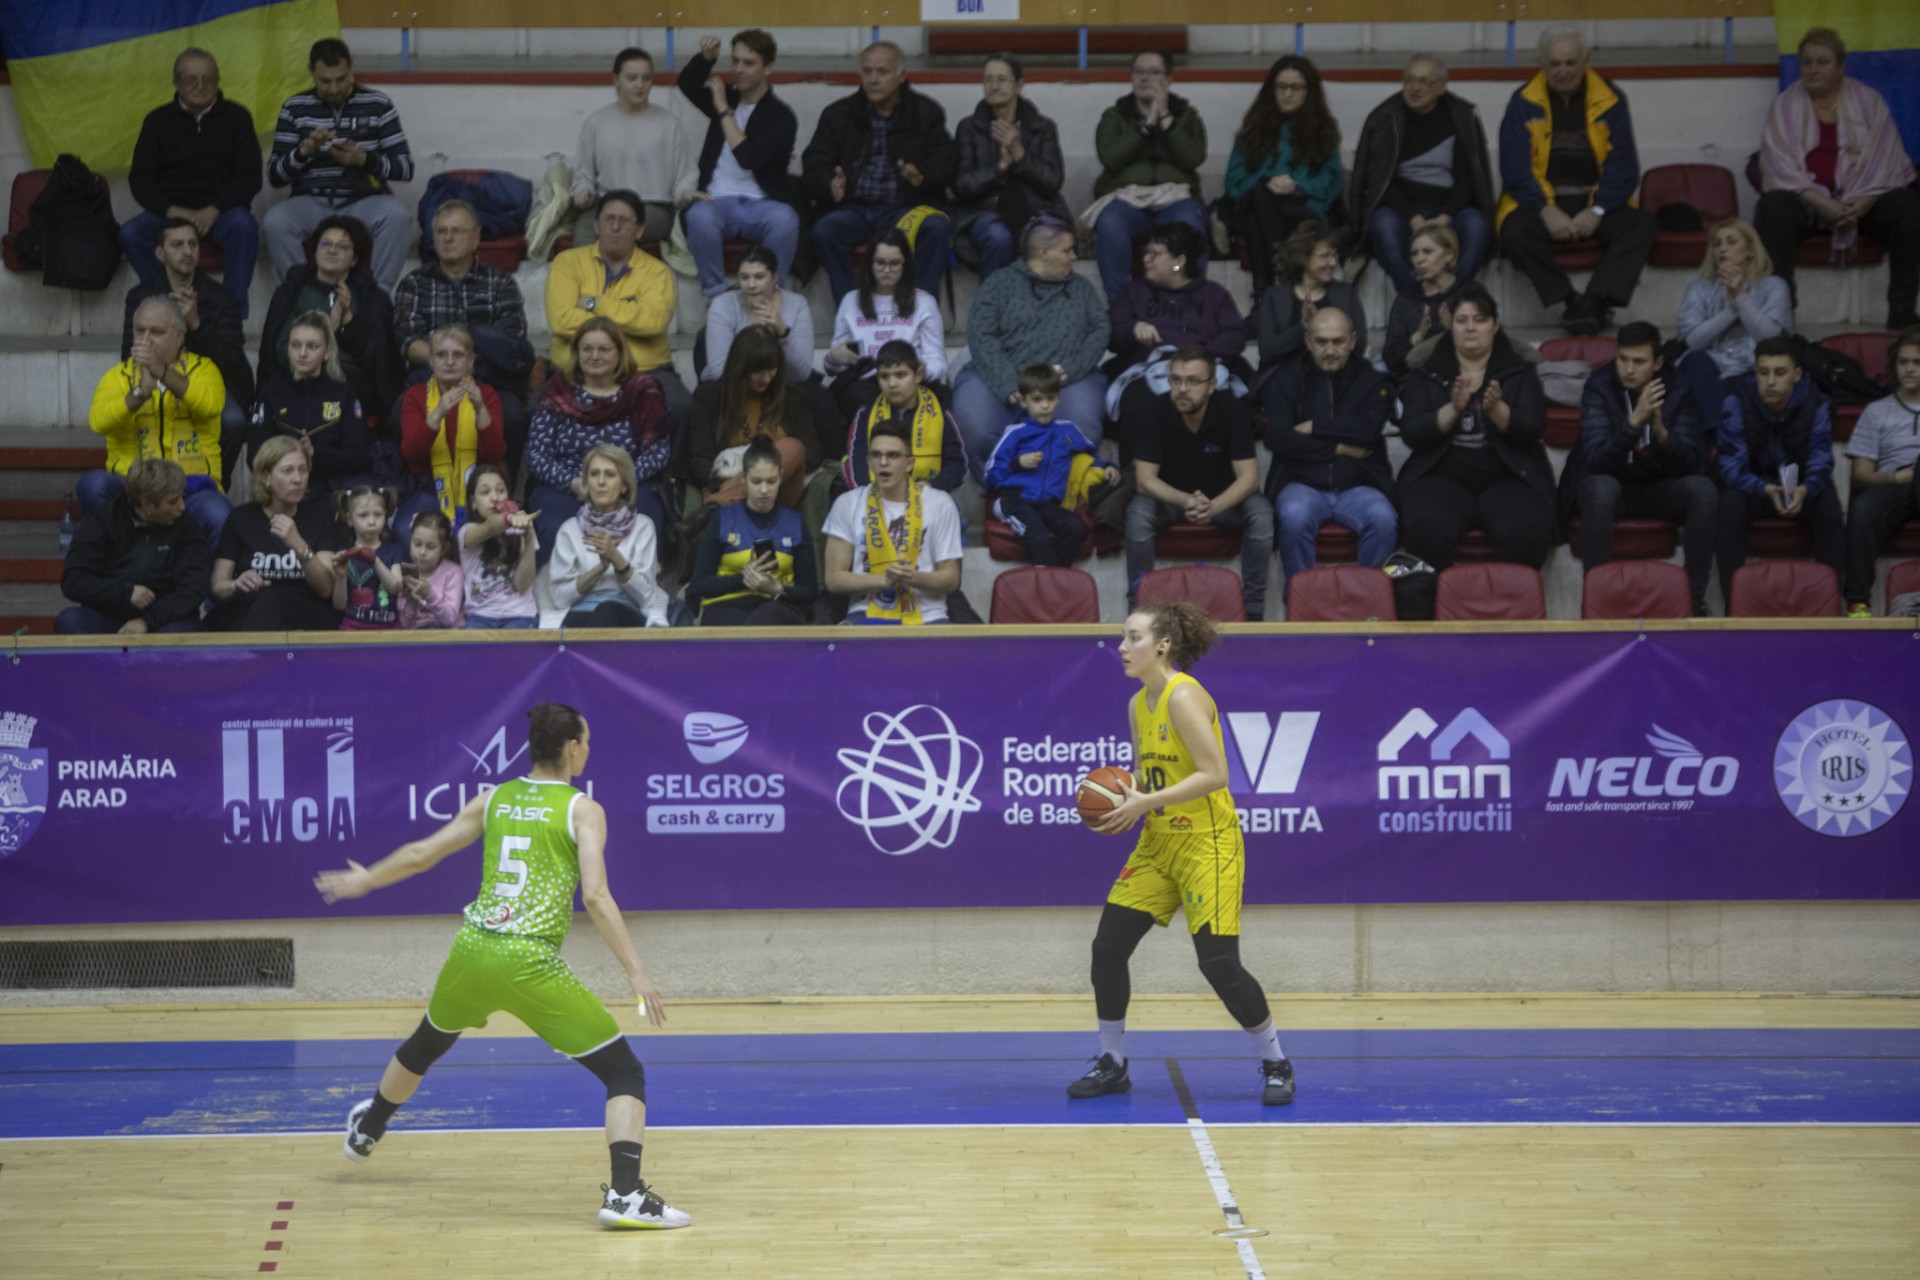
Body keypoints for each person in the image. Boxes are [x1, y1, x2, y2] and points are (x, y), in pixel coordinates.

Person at [314, 702, 691, 1231]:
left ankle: (368, 1127)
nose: (588, 748)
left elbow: (422, 853)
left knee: (427, 1043)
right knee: (624, 1071)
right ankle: (625, 1195)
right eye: (586, 740)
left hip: (472, 950)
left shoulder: (493, 798)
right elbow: (596, 896)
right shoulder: (582, 809)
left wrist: (366, 880)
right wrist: (636, 971)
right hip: (529, 960)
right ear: (572, 748)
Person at [1067, 601, 1294, 1108]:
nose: (1122, 647)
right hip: (1158, 842)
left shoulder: (1184, 695)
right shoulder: (1137, 704)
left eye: (1133, 638)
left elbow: (1215, 775)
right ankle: (1112, 1062)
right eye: (1123, 638)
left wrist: (1144, 801)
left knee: (1218, 963)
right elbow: (1151, 775)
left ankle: (1276, 1063)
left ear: (1163, 645)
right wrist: (1122, 797)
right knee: (1108, 949)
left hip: (1207, 843)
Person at [1756, 27, 1920, 330]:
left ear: (1840, 66)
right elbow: (1776, 165)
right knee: (1772, 207)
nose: (1813, 69)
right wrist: (1820, 202)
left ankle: (1902, 315)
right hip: (1808, 203)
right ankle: (1781, 317)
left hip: (1862, 201)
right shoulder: (1784, 105)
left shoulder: (1869, 101)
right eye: (1807, 62)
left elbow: (1887, 159)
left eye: (1823, 62)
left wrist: (1866, 199)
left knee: (1908, 207)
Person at [1495, 27, 1656, 335]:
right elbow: (1514, 169)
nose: (1563, 71)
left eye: (1570, 63)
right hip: (1541, 203)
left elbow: (1624, 167)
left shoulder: (1610, 99)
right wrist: (1545, 209)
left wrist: (1597, 210)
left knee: (1642, 226)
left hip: (1594, 202)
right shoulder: (1523, 101)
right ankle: (1570, 300)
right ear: (1542, 64)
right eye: (1554, 63)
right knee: (1513, 232)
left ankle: (1594, 299)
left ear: (1585, 62)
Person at [1396, 283, 1553, 570]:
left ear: (1495, 325)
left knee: (1527, 527)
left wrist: (1500, 413)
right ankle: (1433, 598)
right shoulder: (1426, 371)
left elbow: (1534, 428)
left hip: (1509, 478)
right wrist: (1453, 410)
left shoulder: (1521, 370)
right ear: (1450, 326)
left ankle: (1509, 599)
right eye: (1462, 320)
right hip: (1441, 478)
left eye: (1480, 320)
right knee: (1425, 523)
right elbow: (1412, 432)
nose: (1470, 328)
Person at [1570, 321, 1718, 616]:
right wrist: (1633, 424)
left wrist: (1661, 433)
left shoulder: (1678, 388)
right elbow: (1597, 461)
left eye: (1639, 362)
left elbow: (1691, 462)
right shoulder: (1600, 386)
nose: (1628, 369)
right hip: (1613, 486)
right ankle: (1595, 603)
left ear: (1658, 363)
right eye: (1623, 359)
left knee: (1703, 491)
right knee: (1600, 487)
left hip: (1658, 487)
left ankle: (1692, 603)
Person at [954, 218, 1110, 483]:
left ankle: (1058, 490)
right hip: (1000, 375)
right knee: (978, 428)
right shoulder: (999, 283)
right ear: (1044, 252)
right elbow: (981, 335)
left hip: (1066, 380)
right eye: (1067, 250)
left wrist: (1071, 369)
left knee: (1079, 426)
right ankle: (1001, 487)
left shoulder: (1081, 288)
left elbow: (1100, 330)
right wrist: (1005, 380)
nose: (1074, 257)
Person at [1124, 346, 1274, 619]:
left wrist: (1213, 507)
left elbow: (1249, 479)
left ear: (1211, 385)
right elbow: (1145, 481)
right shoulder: (1153, 409)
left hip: (1223, 501)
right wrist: (1185, 500)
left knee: (1261, 512)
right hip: (1171, 501)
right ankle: (1139, 608)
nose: (1183, 389)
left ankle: (1253, 611)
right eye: (1176, 380)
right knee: (1137, 512)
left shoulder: (1233, 409)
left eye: (1193, 381)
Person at [802, 42, 956, 304]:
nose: (873, 79)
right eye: (867, 71)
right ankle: (852, 309)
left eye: (882, 72)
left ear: (901, 75)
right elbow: (815, 161)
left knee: (936, 227)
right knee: (824, 231)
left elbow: (946, 162)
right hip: (854, 208)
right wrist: (830, 184)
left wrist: (922, 177)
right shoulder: (839, 114)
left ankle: (921, 309)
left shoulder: (925, 112)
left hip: (905, 208)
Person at [393, 200, 533, 474]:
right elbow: (407, 340)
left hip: (490, 376)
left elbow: (513, 338)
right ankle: (413, 486)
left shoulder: (500, 282)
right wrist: (449, 360)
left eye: (456, 231)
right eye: (441, 231)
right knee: (400, 412)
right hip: (432, 376)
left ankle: (499, 490)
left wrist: (464, 360)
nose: (447, 238)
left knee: (512, 416)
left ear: (476, 238)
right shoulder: (415, 283)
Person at [264, 38, 415, 290]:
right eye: (325, 81)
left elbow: (405, 168)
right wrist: (303, 152)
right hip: (312, 202)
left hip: (363, 201)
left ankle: (377, 297)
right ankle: (303, 297)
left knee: (397, 215)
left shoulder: (378, 104)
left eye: (342, 79)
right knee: (275, 221)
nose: (334, 89)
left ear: (351, 69)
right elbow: (275, 176)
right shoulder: (294, 108)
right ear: (311, 72)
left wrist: (364, 160)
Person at [122, 49, 263, 314]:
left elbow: (250, 177)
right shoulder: (157, 121)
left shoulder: (237, 117)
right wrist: (172, 211)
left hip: (221, 213)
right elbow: (140, 179)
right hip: (170, 213)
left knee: (244, 226)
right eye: (191, 80)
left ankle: (230, 316)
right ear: (176, 82)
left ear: (218, 80)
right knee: (131, 233)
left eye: (207, 79)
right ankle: (168, 306)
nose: (200, 86)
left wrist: (215, 209)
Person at [1263, 309, 1398, 584]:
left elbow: (1367, 430)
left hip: (1360, 484)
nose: (1330, 350)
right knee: (1293, 516)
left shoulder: (1372, 381)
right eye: (1321, 341)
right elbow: (1278, 438)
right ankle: (1300, 604)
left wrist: (1314, 426)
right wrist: (1340, 449)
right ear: (1308, 341)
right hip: (1302, 485)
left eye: (1338, 341)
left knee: (1383, 518)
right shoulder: (1286, 378)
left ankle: (1370, 603)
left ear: (1352, 340)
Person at [85, 296, 230, 549]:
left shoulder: (204, 369)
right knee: (93, 484)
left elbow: (211, 405)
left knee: (219, 513)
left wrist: (162, 372)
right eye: (140, 331)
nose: (146, 339)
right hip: (132, 486)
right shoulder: (117, 376)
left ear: (180, 336)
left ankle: (206, 576)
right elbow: (98, 422)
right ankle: (115, 563)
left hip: (190, 487)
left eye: (156, 332)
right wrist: (140, 393)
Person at [1347, 55, 1496, 299]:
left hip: (1450, 210)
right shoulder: (1385, 118)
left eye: (1424, 81)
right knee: (1382, 225)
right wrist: (1413, 217)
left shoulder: (1462, 116)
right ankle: (1415, 299)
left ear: (1441, 86)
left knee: (1476, 226)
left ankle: (1451, 298)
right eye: (1409, 80)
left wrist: (1446, 216)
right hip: (1401, 210)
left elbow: (1468, 179)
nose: (1415, 88)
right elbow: (1379, 182)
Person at [1714, 335, 1844, 606]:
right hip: (1755, 488)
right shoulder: (1737, 401)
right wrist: (1763, 488)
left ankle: (1831, 603)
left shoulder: (1816, 403)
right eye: (1763, 372)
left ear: (1797, 374)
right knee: (1729, 503)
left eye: (1780, 373)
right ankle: (1732, 604)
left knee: (1829, 503)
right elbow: (1730, 465)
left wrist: (1806, 488)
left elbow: (1821, 458)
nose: (1770, 381)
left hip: (1800, 489)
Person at [121, 216, 253, 483]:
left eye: (193, 244)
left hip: (209, 385)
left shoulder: (224, 298)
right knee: (122, 411)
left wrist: (195, 324)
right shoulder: (141, 297)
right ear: (160, 253)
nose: (187, 251)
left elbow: (232, 362)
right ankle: (143, 487)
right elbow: (129, 354)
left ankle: (214, 485)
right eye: (177, 244)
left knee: (233, 420)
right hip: (156, 382)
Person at [527, 317, 669, 560]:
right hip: (569, 484)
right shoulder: (558, 392)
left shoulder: (642, 392)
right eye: (587, 349)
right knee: (554, 528)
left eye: (604, 349)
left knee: (645, 524)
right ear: (577, 353)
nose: (595, 356)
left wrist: (621, 482)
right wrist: (573, 482)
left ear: (619, 353)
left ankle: (631, 582)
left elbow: (659, 451)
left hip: (628, 484)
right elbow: (536, 455)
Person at [545, 190, 688, 426]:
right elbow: (562, 321)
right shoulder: (567, 262)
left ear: (639, 230)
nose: (615, 227)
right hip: (575, 370)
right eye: (609, 219)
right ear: (596, 226)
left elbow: (652, 322)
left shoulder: (657, 272)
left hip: (645, 370)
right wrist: (629, 321)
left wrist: (594, 304)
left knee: (681, 407)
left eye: (624, 221)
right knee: (536, 409)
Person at [677, 31, 803, 298]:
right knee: (698, 216)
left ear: (767, 68)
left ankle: (771, 296)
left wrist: (723, 109)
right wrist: (706, 59)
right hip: (717, 199)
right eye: (735, 61)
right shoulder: (728, 97)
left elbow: (748, 157)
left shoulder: (780, 116)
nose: (738, 69)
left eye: (748, 63)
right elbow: (687, 83)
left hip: (762, 204)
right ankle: (715, 296)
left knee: (786, 219)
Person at [1106, 221, 1246, 451]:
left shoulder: (1213, 294)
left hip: (1202, 369)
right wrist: (1132, 328)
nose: (1146, 259)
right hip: (1148, 372)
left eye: (1155, 254)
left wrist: (1199, 356)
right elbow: (1112, 336)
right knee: (1138, 403)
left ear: (1179, 261)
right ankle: (1136, 470)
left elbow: (1236, 335)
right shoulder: (1132, 291)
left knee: (1226, 402)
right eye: (1146, 252)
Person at [1090, 50, 1210, 300]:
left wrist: (1165, 119)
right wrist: (1145, 127)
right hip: (1127, 201)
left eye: (1154, 72)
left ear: (1169, 78)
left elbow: (1192, 158)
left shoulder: (1187, 115)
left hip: (1176, 201)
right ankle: (1121, 305)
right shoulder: (1114, 116)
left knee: (1190, 222)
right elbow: (1110, 158)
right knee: (1110, 222)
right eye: (1139, 71)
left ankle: (1188, 302)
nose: (1145, 78)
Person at [258, 215, 398, 426]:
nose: (332, 250)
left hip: (351, 381)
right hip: (299, 375)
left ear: (354, 259)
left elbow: (376, 361)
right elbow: (279, 350)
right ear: (315, 251)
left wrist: (348, 323)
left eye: (342, 246)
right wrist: (327, 331)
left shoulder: (371, 298)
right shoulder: (292, 292)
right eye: (325, 244)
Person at [1222, 56, 1344, 294]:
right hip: (1256, 204)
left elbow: (1330, 184)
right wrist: (1268, 183)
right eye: (1281, 87)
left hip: (1305, 210)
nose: (1288, 94)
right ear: (1272, 90)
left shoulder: (1324, 133)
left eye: (1295, 87)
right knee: (1260, 194)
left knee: (1256, 217)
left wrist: (1296, 185)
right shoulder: (1252, 132)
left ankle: (1263, 295)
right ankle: (1280, 269)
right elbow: (1233, 183)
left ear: (1309, 91)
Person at [823, 420, 964, 625]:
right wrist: (883, 580)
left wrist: (912, 577)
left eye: (893, 455)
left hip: (928, 617)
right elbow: (834, 579)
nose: (883, 462)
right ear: (869, 461)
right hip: (866, 614)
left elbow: (951, 579)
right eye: (876, 455)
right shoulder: (847, 503)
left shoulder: (940, 503)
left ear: (910, 463)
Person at [951, 54, 1070, 282]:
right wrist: (1000, 167)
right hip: (983, 211)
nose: (994, 86)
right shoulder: (969, 128)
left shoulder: (1041, 127)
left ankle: (1043, 305)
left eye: (1002, 79)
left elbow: (1052, 182)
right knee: (998, 237)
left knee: (1044, 238)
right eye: (988, 79)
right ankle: (993, 303)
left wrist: (1020, 154)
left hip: (1035, 208)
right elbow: (962, 186)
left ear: (1019, 85)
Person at [57, 458, 209, 636]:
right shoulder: (101, 522)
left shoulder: (187, 526)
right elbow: (74, 581)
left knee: (175, 635)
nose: (182, 507)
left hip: (167, 619)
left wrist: (148, 620)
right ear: (147, 505)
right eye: (172, 502)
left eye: (182, 497)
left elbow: (193, 589)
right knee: (69, 621)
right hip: (109, 615)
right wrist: (125, 592)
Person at [208, 436, 343, 631]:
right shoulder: (241, 518)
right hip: (252, 610)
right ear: (266, 477)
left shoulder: (320, 517)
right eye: (288, 471)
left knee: (275, 598)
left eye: (303, 470)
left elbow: (326, 589)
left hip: (305, 612)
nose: (297, 479)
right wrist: (236, 584)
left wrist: (299, 545)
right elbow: (217, 587)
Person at [1674, 217, 1794, 434]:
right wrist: (1731, 310)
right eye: (1717, 244)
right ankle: (1718, 432)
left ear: (1750, 250)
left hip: (1750, 369)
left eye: (1731, 242)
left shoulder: (1773, 286)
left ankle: (1719, 436)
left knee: (1739, 387)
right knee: (1694, 362)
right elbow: (1694, 342)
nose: (1723, 248)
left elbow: (1772, 339)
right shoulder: (1699, 288)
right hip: (1708, 368)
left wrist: (1740, 296)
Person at [985, 365, 1112, 566]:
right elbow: (990, 474)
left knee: (1076, 528)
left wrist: (1108, 467)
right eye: (1037, 399)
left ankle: (1056, 576)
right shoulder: (1015, 432)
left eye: (1050, 398)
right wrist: (1018, 463)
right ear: (1024, 401)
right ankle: (1047, 581)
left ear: (1058, 398)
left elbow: (1090, 454)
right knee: (1040, 538)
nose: (1045, 405)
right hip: (1015, 499)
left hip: (1048, 504)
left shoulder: (1067, 431)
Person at [684, 325, 819, 509]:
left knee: (792, 447)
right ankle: (726, 498)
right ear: (740, 369)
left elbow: (812, 452)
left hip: (778, 491)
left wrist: (759, 470)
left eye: (772, 369)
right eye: (758, 371)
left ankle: (716, 505)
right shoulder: (710, 397)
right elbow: (700, 458)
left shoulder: (791, 398)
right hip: (727, 483)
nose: (766, 378)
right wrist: (734, 480)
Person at [570, 47, 696, 246]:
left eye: (646, 78)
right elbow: (583, 175)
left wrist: (686, 192)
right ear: (616, 79)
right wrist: (583, 191)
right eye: (632, 78)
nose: (640, 85)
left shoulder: (669, 124)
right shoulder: (596, 122)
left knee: (619, 229)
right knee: (585, 232)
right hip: (607, 205)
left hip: (652, 208)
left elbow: (685, 175)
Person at [690, 435, 819, 626]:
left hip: (777, 607)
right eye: (756, 482)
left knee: (771, 612)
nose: (764, 490)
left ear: (781, 476)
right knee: (735, 622)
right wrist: (743, 579)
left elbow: (809, 591)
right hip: (726, 607)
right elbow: (699, 585)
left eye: (771, 481)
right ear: (743, 479)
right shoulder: (723, 519)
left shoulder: (794, 523)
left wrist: (777, 589)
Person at [823, 229, 946, 420]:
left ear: (905, 264)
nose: (887, 270)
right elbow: (832, 368)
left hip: (910, 379)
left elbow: (939, 363)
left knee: (925, 398)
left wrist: (921, 369)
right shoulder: (850, 300)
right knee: (860, 398)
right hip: (866, 380)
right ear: (870, 264)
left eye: (894, 263)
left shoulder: (924, 302)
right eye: (880, 263)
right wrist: (834, 357)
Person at [248, 311, 369, 497]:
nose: (302, 354)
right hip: (280, 494)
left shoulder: (344, 394)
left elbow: (359, 457)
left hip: (331, 493)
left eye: (312, 346)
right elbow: (254, 456)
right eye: (295, 345)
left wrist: (315, 454)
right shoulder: (271, 393)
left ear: (327, 351)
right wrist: (291, 458)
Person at [1843, 328, 1920, 616]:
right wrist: (1896, 477)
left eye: (1917, 362)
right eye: (1903, 362)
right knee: (1863, 509)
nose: (1909, 369)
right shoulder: (1876, 411)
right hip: (1894, 485)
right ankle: (1857, 604)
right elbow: (1860, 474)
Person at [551, 444, 671, 628]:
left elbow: (646, 596)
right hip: (580, 615)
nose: (601, 481)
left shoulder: (643, 526)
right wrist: (599, 569)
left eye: (610, 474)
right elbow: (559, 598)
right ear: (586, 483)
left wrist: (616, 559)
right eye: (594, 474)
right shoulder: (570, 529)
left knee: (607, 609)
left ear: (624, 486)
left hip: (627, 615)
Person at [399, 325, 507, 530]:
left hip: (477, 489)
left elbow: (494, 455)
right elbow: (412, 454)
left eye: (458, 355)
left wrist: (480, 409)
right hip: (429, 486)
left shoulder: (485, 394)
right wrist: (438, 413)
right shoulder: (416, 395)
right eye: (441, 355)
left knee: (495, 531)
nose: (449, 362)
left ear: (470, 361)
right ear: (431, 361)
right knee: (406, 531)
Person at [842, 340, 967, 493]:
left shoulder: (941, 414)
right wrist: (871, 493)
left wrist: (932, 486)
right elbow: (855, 462)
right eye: (884, 376)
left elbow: (957, 465)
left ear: (918, 375)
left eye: (900, 375)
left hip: (928, 497)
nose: (892, 384)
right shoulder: (865, 414)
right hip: (875, 498)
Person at [1254, 222, 1368, 370]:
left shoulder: (1346, 294)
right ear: (1303, 258)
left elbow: (1358, 345)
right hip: (1286, 377)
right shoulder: (1274, 296)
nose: (1333, 262)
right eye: (1325, 256)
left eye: (1335, 255)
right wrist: (1303, 327)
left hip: (1334, 375)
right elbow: (1267, 351)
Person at [701, 244, 814, 385]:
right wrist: (752, 339)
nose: (751, 285)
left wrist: (782, 333)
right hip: (729, 387)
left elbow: (802, 373)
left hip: (781, 387)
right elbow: (720, 371)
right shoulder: (723, 305)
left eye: (759, 277)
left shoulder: (797, 305)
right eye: (744, 277)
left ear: (774, 278)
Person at [460, 464, 541, 629]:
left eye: (501, 490)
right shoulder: (467, 531)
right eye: (485, 492)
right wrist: (509, 518)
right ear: (473, 502)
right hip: (480, 615)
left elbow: (522, 585)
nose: (495, 498)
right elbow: (490, 527)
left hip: (520, 614)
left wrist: (529, 536)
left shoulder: (522, 530)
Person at [1381, 224, 1463, 375]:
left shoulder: (1469, 294)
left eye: (1427, 251)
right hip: (1415, 380)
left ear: (1449, 255)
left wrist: (1454, 329)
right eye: (1415, 254)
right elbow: (1390, 360)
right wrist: (1417, 337)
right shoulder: (1406, 300)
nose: (1420, 259)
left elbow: (1491, 347)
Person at [331, 483, 404, 630]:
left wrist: (374, 560)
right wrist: (341, 577)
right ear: (350, 519)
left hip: (388, 629)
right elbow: (339, 605)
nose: (372, 522)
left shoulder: (394, 550)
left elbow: (396, 588)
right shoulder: (344, 554)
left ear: (385, 515)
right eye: (363, 515)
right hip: (351, 628)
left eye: (378, 514)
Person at [394, 509, 464, 629]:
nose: (422, 552)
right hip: (416, 635)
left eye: (431, 547)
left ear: (445, 548)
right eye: (417, 544)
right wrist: (411, 601)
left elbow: (450, 620)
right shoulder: (408, 572)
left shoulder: (453, 572)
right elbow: (405, 625)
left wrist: (429, 595)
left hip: (445, 635)